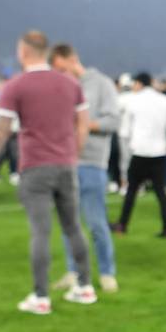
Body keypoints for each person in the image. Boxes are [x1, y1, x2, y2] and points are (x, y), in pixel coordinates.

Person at [0, 31, 95, 314]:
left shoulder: (15, 86)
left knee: (40, 232)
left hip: (35, 167)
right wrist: (73, 154)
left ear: (23, 52)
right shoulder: (70, 84)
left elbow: (1, 131)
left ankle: (41, 297)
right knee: (73, 227)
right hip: (66, 165)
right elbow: (82, 124)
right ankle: (85, 287)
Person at [48, 43, 122, 294]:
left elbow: (114, 120)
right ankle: (73, 271)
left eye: (61, 68)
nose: (60, 74)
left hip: (92, 161)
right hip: (65, 161)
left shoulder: (101, 83)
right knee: (69, 222)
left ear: (73, 59)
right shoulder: (62, 87)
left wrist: (83, 124)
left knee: (96, 222)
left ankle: (107, 273)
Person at [116, 72, 166, 237]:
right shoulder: (164, 100)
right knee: (161, 192)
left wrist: (129, 147)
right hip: (159, 152)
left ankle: (123, 224)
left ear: (139, 83)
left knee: (132, 190)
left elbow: (124, 132)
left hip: (139, 151)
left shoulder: (133, 100)